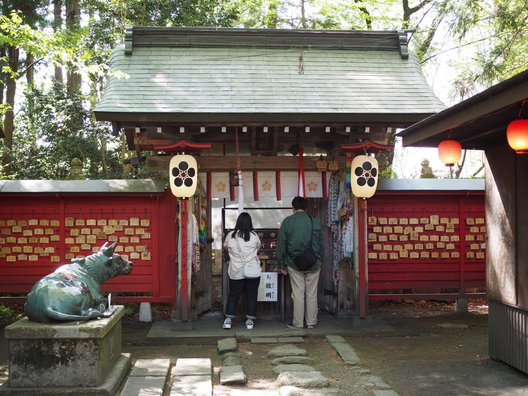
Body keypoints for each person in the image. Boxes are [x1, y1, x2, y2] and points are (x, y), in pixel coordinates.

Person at [276, 196, 323, 329]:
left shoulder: (287, 222)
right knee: (311, 294)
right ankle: (311, 323)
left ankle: (298, 323)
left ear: (293, 208)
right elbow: (321, 244)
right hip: (314, 263)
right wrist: (321, 261)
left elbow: (281, 245)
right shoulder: (315, 222)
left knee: (298, 293)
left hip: (294, 263)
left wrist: (281, 264)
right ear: (306, 207)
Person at [223, 212, 262, 330]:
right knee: (251, 295)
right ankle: (250, 321)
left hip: (236, 270)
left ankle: (228, 320)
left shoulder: (230, 235)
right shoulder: (254, 236)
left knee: (234, 295)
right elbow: (258, 247)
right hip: (252, 271)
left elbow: (225, 247)